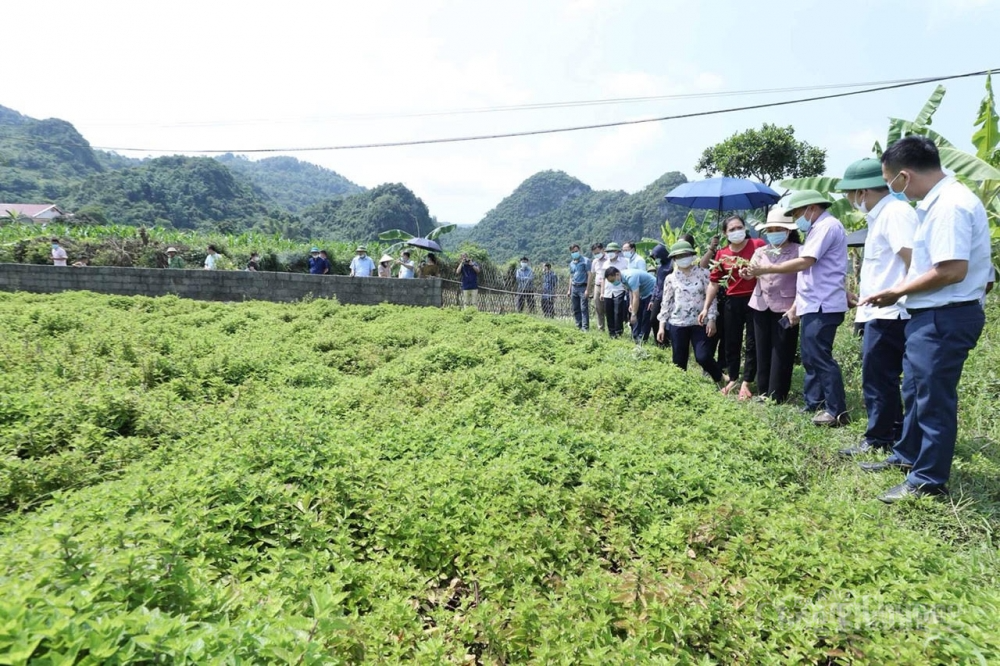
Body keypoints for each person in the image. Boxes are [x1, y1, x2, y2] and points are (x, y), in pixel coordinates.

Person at [859, 136, 990, 503]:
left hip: (943, 316)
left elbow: (951, 269)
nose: (892, 189)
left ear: (904, 175)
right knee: (915, 391)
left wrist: (898, 290)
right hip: (933, 314)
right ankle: (907, 457)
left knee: (933, 398)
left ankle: (928, 480)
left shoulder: (950, 205)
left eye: (890, 182)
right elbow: (984, 274)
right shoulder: (940, 204)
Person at [746, 189, 849, 427]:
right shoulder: (817, 228)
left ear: (811, 208)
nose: (796, 218)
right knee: (811, 357)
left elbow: (806, 262)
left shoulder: (826, 227)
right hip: (813, 302)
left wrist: (766, 269)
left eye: (797, 213)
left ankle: (836, 410)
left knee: (820, 357)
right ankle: (813, 404)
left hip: (823, 303)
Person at [836, 158, 915, 458]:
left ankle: (880, 438)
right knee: (879, 377)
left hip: (893, 312)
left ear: (863, 192)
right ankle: (889, 432)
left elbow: (912, 260)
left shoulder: (895, 213)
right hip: (879, 311)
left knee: (880, 378)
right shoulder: (881, 216)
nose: (849, 200)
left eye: (850, 194)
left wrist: (899, 295)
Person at [699, 215, 765, 400]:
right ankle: (733, 378)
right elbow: (714, 283)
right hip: (732, 301)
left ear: (745, 228)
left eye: (739, 227)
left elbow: (769, 268)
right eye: (732, 229)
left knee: (752, 342)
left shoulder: (757, 245)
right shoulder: (722, 254)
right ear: (725, 233)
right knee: (731, 341)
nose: (737, 232)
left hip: (755, 299)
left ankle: (747, 381)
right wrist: (705, 307)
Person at [747, 208, 801, 404]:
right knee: (762, 349)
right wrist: (747, 273)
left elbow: (803, 283)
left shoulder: (798, 251)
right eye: (771, 230)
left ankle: (777, 395)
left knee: (782, 350)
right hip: (761, 304)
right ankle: (763, 392)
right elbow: (751, 272)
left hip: (786, 306)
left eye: (779, 229)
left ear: (788, 231)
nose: (774, 233)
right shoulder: (761, 251)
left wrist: (796, 308)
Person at [656, 240, 722, 383]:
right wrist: (661, 326)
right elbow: (666, 303)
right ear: (674, 259)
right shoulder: (670, 278)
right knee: (679, 360)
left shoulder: (703, 273)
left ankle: (720, 378)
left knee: (703, 356)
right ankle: (681, 387)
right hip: (677, 323)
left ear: (692, 255)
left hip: (700, 322)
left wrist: (711, 319)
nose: (683, 258)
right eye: (679, 256)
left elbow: (711, 298)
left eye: (686, 254)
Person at [606, 266, 656, 343]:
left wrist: (633, 314)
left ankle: (642, 340)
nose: (613, 283)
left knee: (646, 316)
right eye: (611, 282)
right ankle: (636, 337)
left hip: (652, 291)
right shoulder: (622, 278)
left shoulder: (630, 276)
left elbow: (636, 296)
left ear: (617, 274)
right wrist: (631, 304)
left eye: (613, 281)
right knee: (638, 314)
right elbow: (630, 290)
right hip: (642, 294)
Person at [602, 242, 630, 337]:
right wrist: (602, 292)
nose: (610, 253)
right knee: (608, 313)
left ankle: (619, 333)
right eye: (608, 251)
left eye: (612, 251)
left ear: (617, 251)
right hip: (608, 291)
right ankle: (611, 333)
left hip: (620, 290)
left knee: (618, 313)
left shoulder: (624, 262)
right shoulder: (605, 264)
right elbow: (603, 279)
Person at [648, 243, 672, 346]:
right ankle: (660, 342)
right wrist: (652, 300)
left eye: (657, 256)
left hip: (669, 297)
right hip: (658, 296)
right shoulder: (660, 267)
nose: (656, 259)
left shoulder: (672, 265)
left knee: (668, 322)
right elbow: (656, 285)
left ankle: (667, 342)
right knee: (653, 319)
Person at [566, 244, 590, 330]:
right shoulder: (571, 263)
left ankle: (585, 328)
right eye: (573, 252)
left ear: (579, 250)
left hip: (583, 287)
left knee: (584, 308)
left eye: (576, 251)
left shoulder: (586, 261)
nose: (574, 253)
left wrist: (588, 289)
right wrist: (569, 289)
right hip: (574, 287)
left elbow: (589, 275)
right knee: (576, 308)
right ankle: (578, 326)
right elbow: (571, 277)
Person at [588, 243, 608, 331]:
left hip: (608, 286)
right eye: (594, 253)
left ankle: (611, 328)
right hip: (597, 286)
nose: (596, 255)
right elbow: (592, 274)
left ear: (602, 250)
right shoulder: (595, 261)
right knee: (598, 308)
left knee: (608, 308)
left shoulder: (609, 259)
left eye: (598, 252)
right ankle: (601, 328)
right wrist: (589, 288)